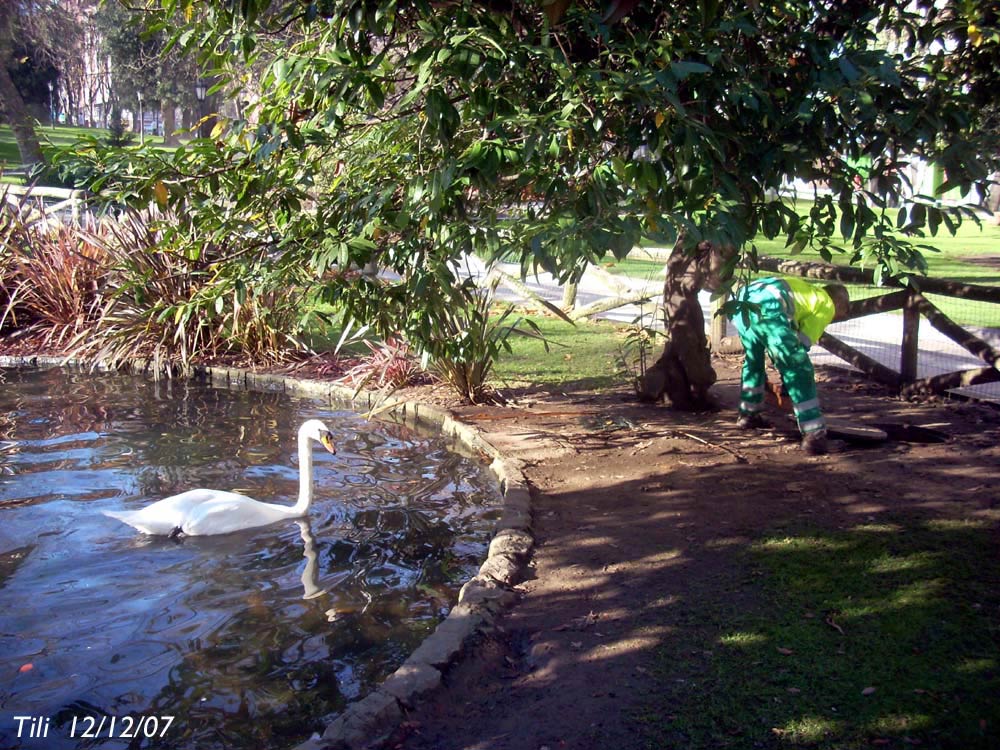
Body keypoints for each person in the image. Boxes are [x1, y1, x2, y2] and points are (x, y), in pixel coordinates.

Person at [730, 277, 850, 455]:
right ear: (840, 305)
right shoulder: (826, 304)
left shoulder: (808, 292)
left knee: (753, 360)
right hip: (769, 307)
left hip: (742, 303)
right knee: (800, 367)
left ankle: (748, 414)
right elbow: (801, 344)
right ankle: (814, 435)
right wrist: (789, 380)